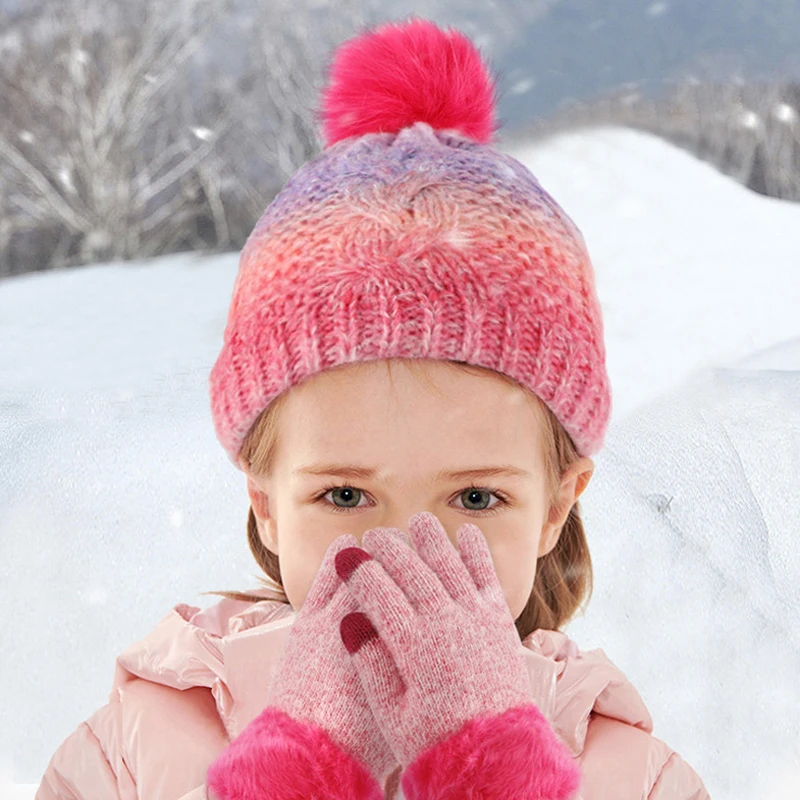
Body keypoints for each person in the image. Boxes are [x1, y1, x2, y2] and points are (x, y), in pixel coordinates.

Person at [36, 17, 710, 800]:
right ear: (266, 506)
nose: (400, 552)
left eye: (476, 498)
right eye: (346, 495)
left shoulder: (629, 776)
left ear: (557, 507)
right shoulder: (136, 747)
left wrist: (494, 775)